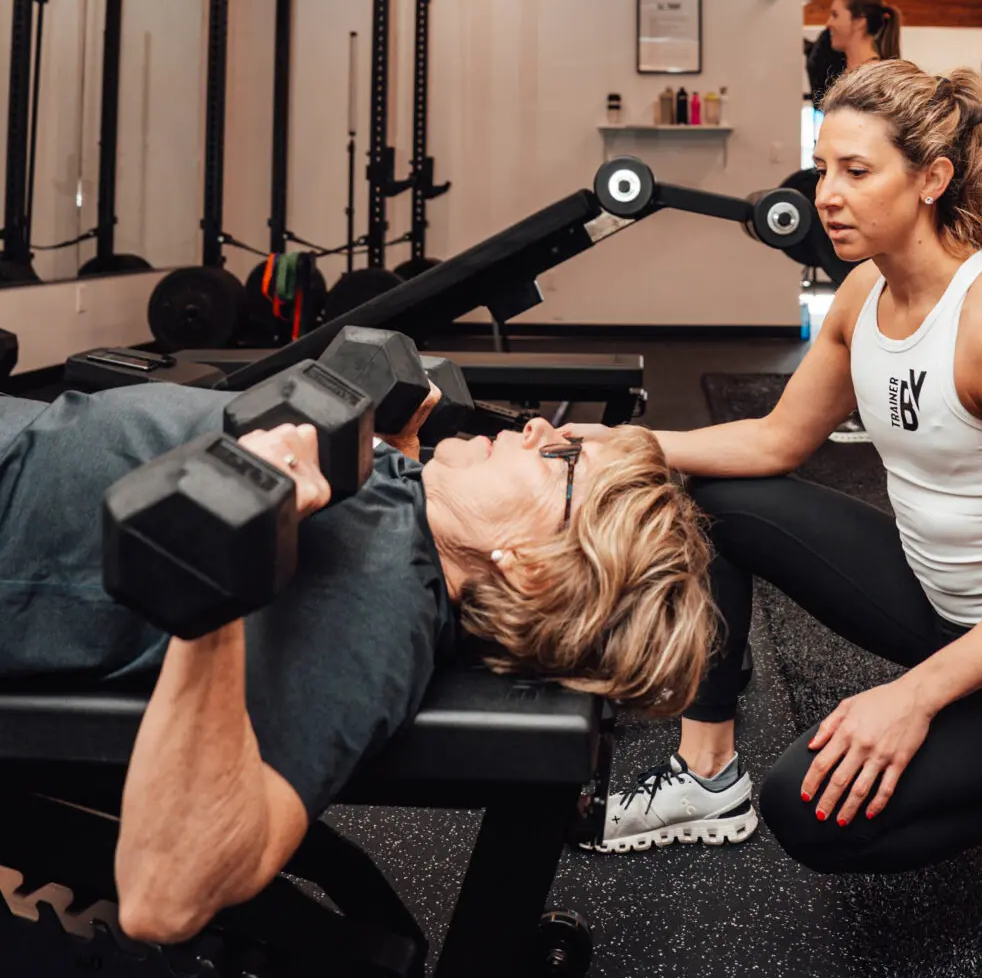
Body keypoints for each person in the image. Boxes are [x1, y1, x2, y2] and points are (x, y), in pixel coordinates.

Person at [579, 59, 982, 931]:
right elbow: (775, 441)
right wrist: (627, 445)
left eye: (856, 171)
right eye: (823, 166)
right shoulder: (864, 290)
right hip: (933, 600)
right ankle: (704, 774)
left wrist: (910, 698)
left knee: (809, 813)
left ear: (932, 179)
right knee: (706, 495)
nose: (824, 194)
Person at [0, 382, 713, 944]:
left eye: (562, 457)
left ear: (532, 569)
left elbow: (165, 895)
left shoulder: (377, 601)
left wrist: (216, 584)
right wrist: (389, 452)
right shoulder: (401, 514)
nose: (537, 429)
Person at [806, 0, 903, 102]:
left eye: (835, 15)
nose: (829, 23)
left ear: (859, 22)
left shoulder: (875, 79)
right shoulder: (843, 74)